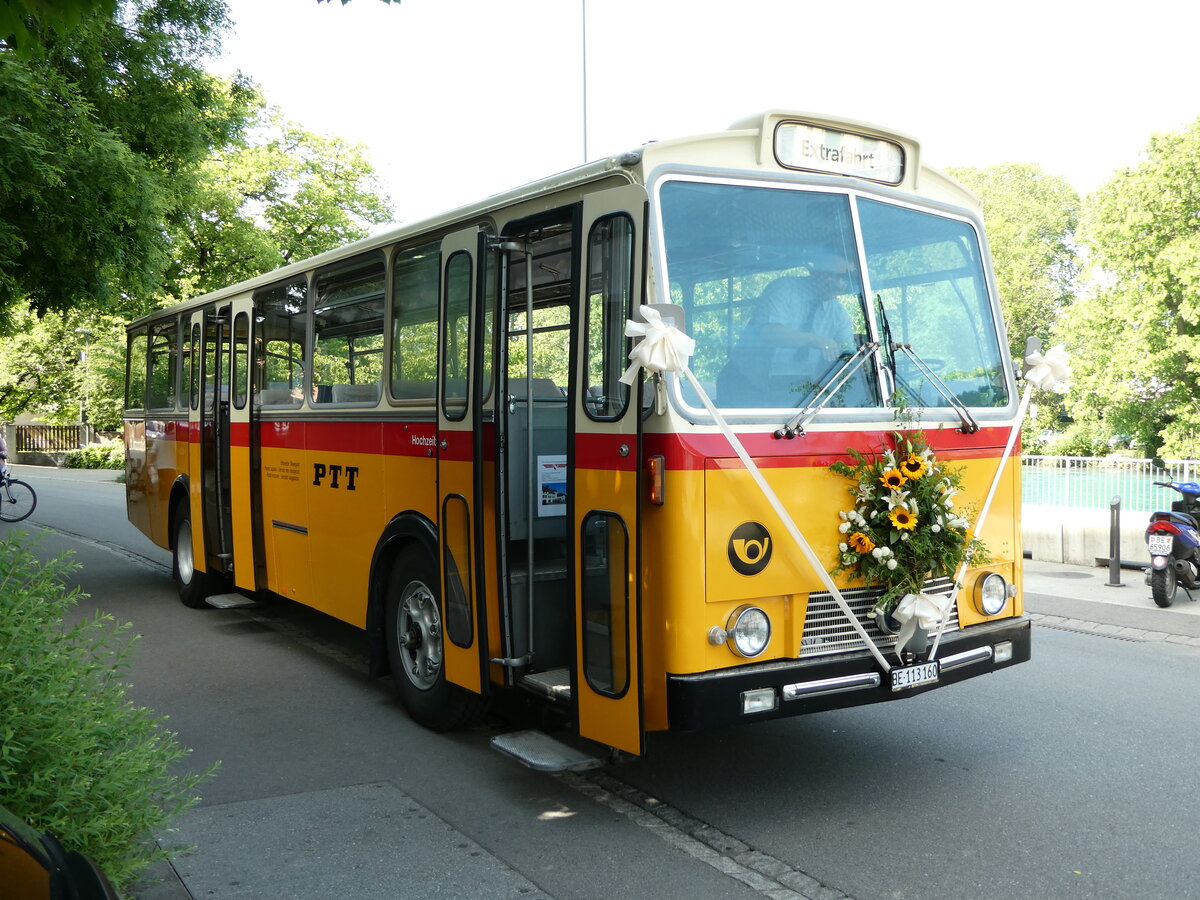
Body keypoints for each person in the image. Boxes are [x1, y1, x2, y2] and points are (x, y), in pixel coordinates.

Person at [717, 256, 859, 407]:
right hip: (743, 382)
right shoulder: (784, 289)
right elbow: (770, 333)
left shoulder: (838, 314)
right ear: (818, 272)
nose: (841, 284)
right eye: (837, 276)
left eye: (846, 279)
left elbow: (848, 358)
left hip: (793, 390)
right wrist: (816, 340)